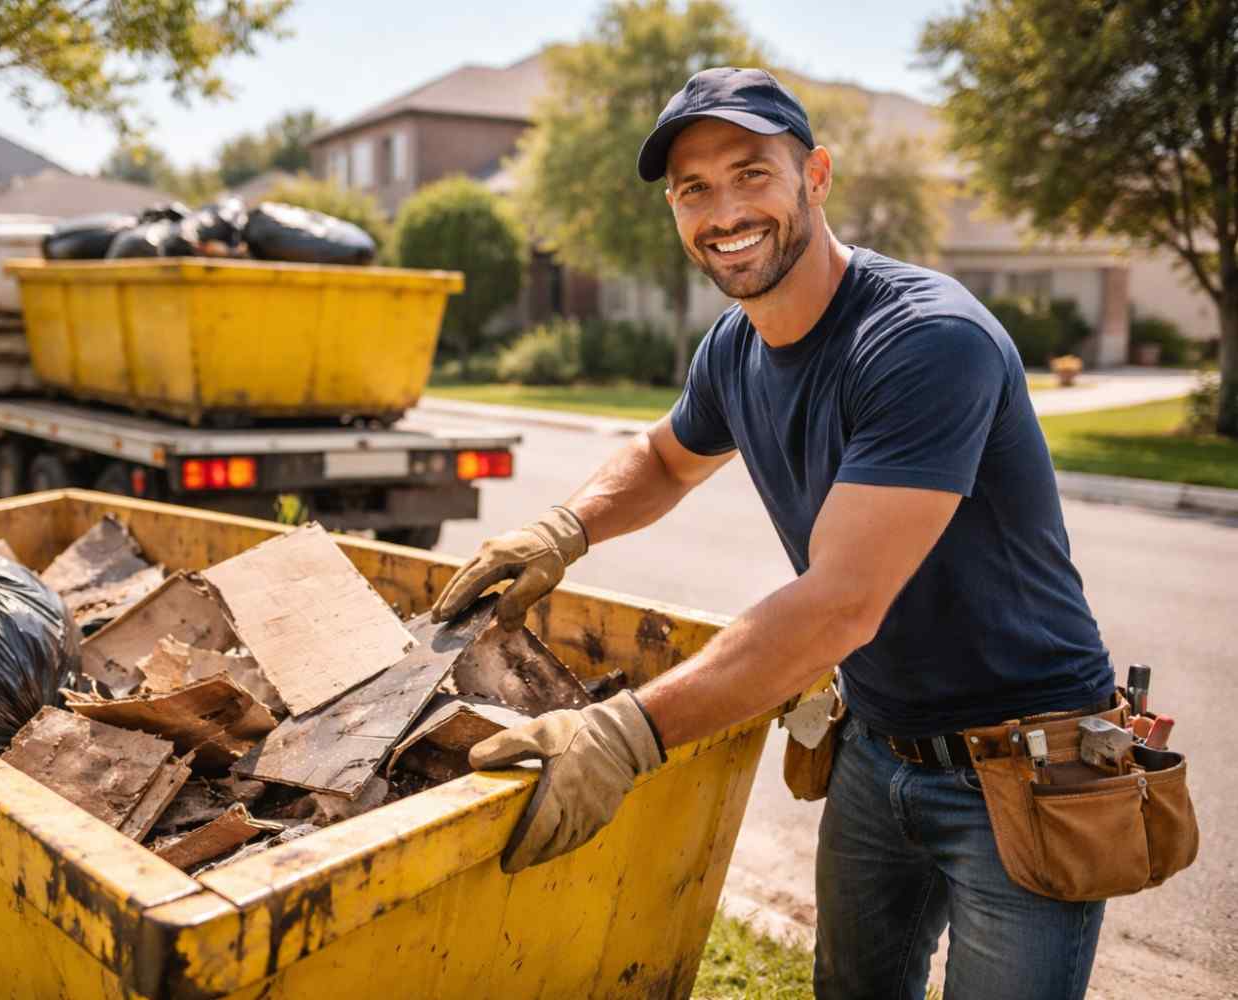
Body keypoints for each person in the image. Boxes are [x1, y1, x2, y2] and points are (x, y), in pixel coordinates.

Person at [431, 68, 1115, 999]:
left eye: (752, 173)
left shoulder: (924, 341)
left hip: (1027, 761)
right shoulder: (737, 346)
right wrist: (564, 528)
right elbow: (668, 459)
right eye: (693, 189)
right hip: (881, 749)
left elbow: (839, 604)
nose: (723, 211)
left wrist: (625, 733)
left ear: (817, 177)